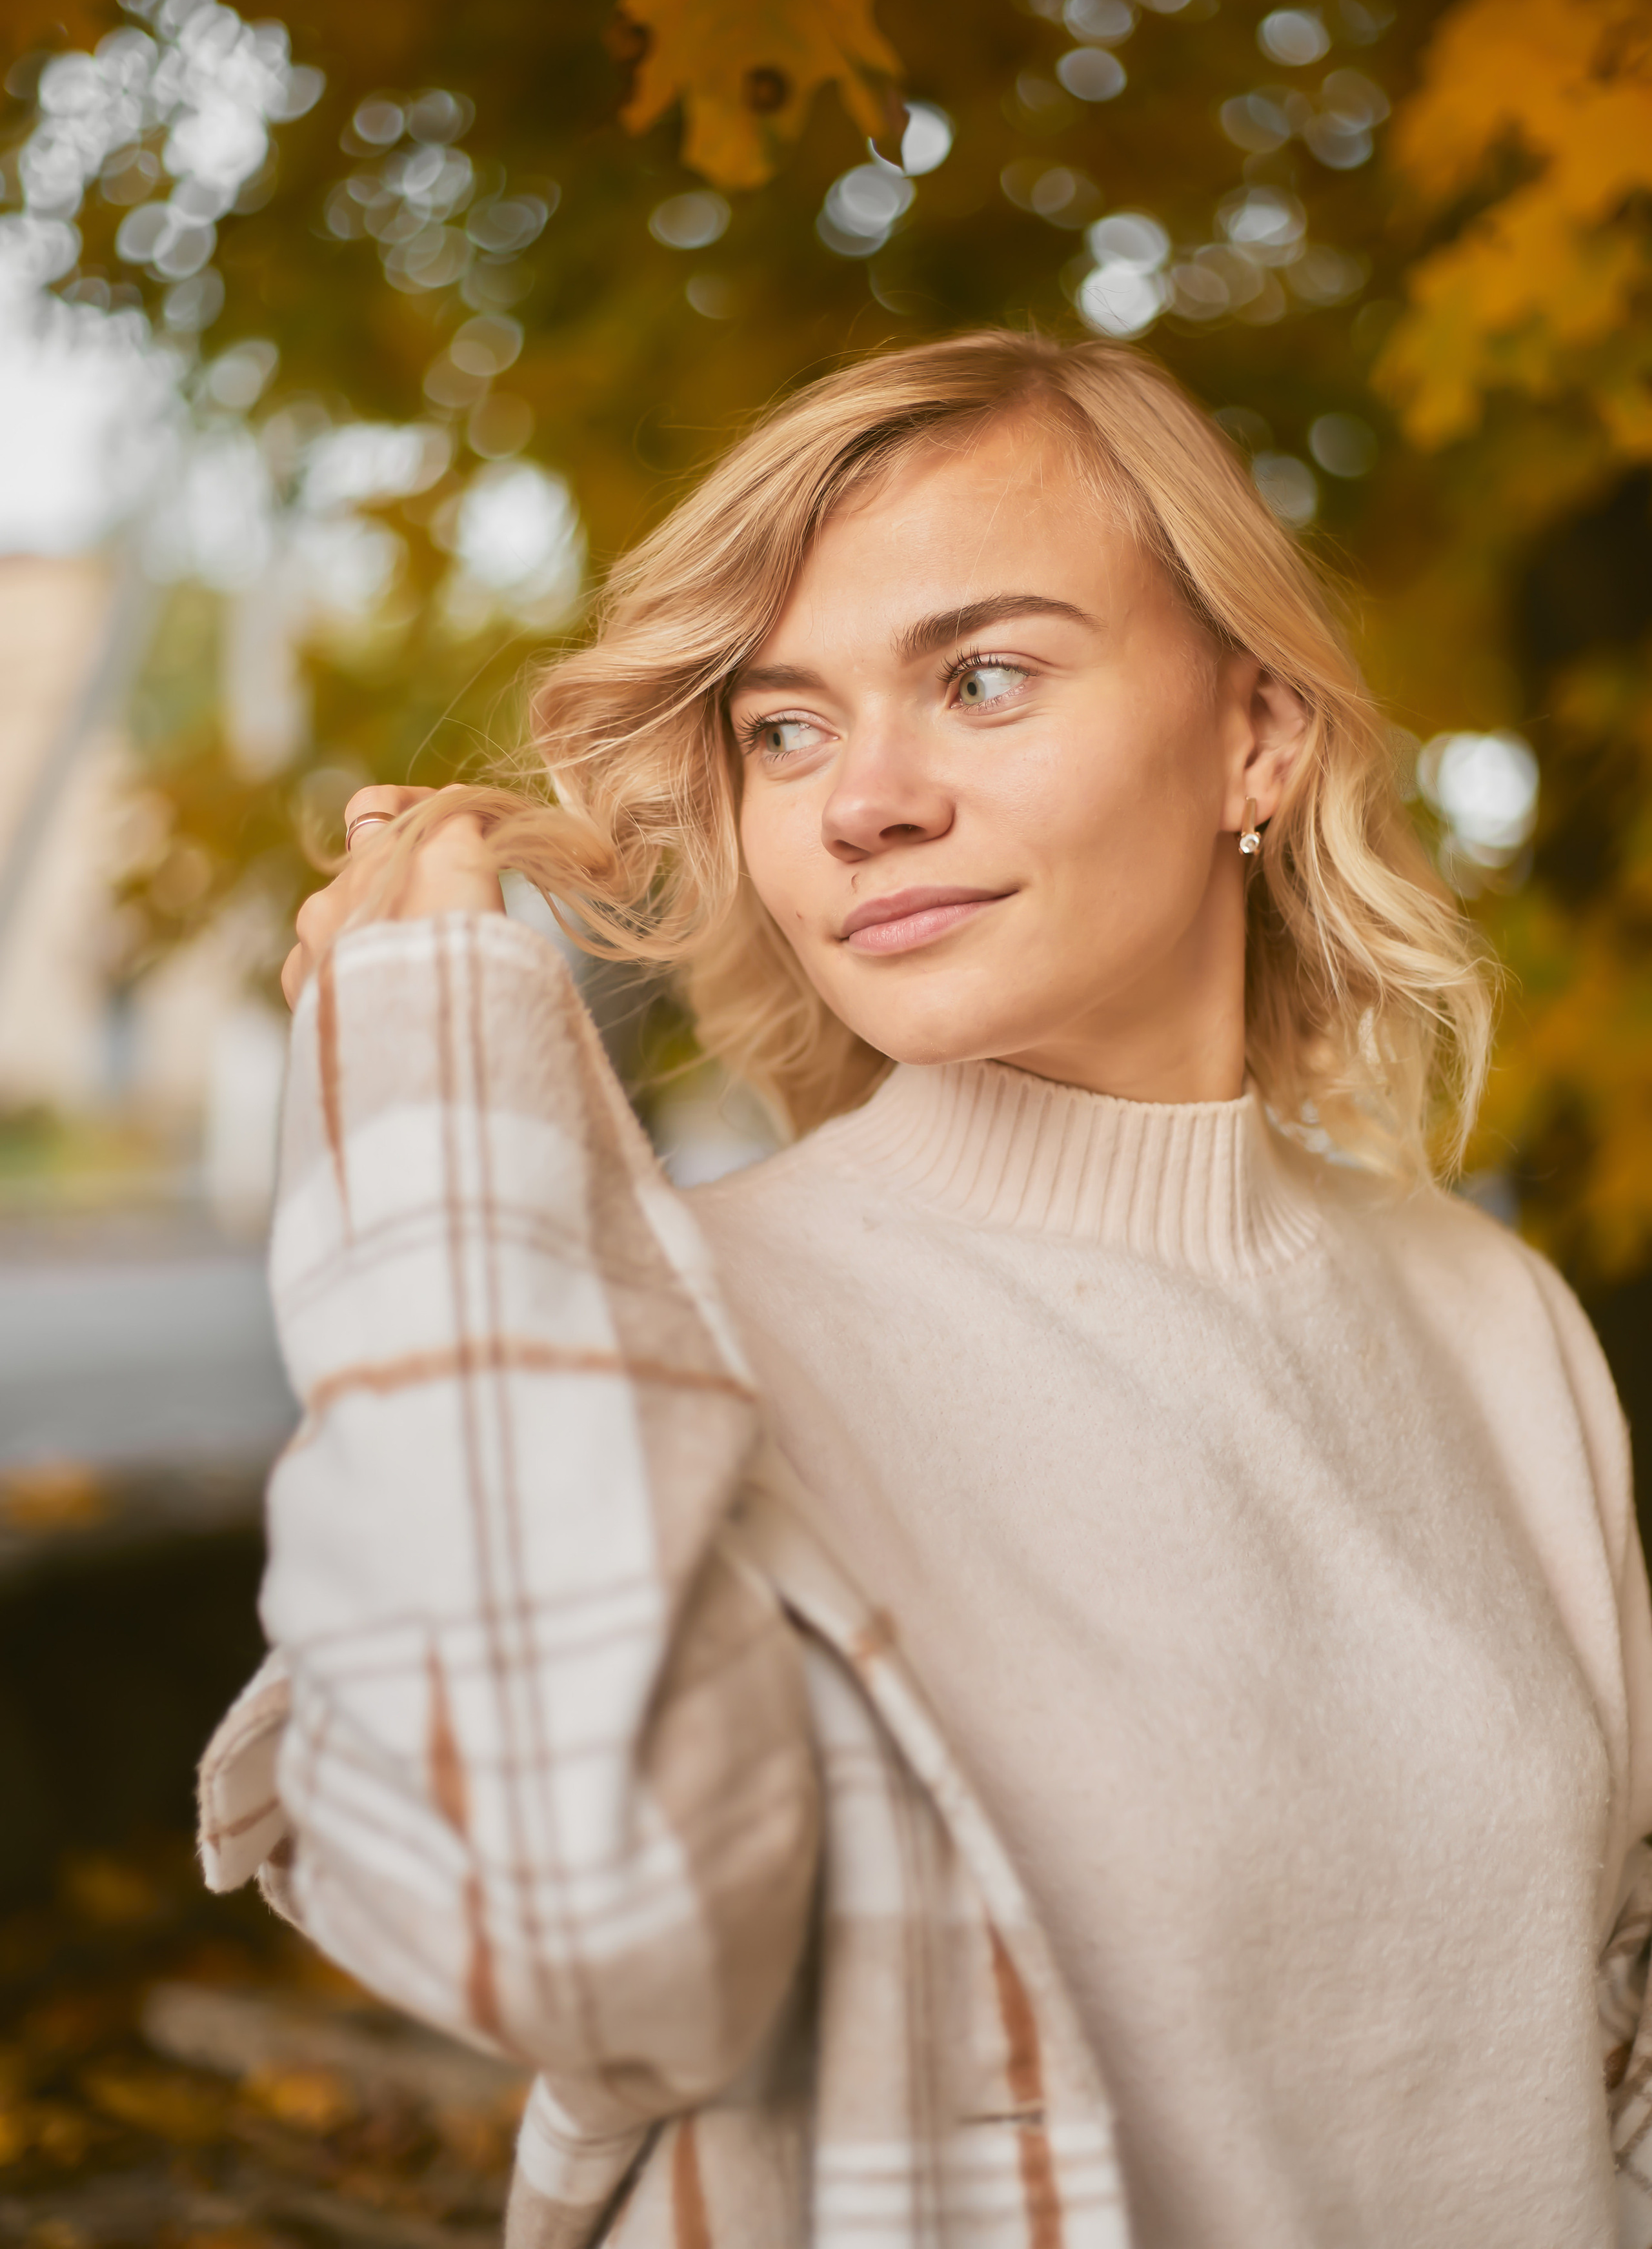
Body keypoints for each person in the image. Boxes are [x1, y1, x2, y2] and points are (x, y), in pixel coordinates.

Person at [200, 331, 1652, 2249]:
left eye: (980, 678)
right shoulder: (661, 1325)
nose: (860, 801)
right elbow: (563, 1914)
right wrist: (432, 1092)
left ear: (1258, 737)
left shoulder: (1490, 1318)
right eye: (784, 728)